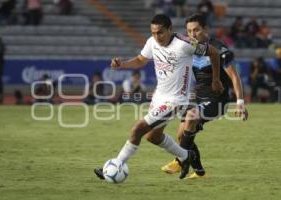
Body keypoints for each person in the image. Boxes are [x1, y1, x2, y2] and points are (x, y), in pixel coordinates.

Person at [94, 14, 223, 180]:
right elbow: (141, 60)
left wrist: (216, 79)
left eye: (160, 32)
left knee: (138, 129)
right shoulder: (152, 42)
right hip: (159, 97)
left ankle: (116, 165)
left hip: (176, 100)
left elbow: (214, 53)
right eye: (153, 32)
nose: (156, 36)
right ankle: (186, 156)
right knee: (152, 136)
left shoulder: (185, 44)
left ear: (170, 29)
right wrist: (122, 64)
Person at [161, 14, 249, 178]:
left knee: (191, 119)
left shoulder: (219, 49)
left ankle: (180, 161)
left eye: (196, 30)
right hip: (198, 99)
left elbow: (234, 77)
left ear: (205, 29)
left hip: (218, 100)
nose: (193, 35)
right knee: (182, 134)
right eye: (189, 31)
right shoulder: (188, 48)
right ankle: (199, 172)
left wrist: (240, 102)